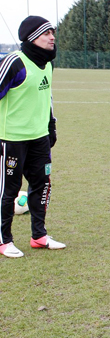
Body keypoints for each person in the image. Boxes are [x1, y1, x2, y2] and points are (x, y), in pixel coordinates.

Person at [0, 16, 66, 258]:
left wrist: (51, 127)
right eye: (46, 33)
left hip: (39, 138)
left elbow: (47, 98)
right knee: (9, 190)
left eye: (52, 33)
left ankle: (39, 236)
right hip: (10, 140)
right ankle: (3, 240)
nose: (52, 38)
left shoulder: (48, 64)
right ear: (31, 38)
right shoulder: (13, 63)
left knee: (42, 185)